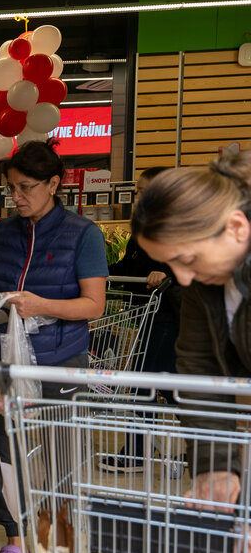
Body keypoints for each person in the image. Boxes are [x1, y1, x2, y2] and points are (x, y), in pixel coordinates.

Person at [0, 141, 109, 553]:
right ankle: (15, 539)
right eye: (12, 188)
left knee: (63, 450)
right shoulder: (2, 233)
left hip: (61, 359)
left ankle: (58, 537)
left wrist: (42, 304)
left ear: (53, 184)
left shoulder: (83, 235)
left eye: (27, 187)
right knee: (6, 448)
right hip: (5, 360)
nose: (18, 196)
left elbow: (93, 305)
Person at [129, 149, 251, 510]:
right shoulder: (202, 283)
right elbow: (199, 368)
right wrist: (215, 469)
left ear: (236, 228)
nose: (181, 278)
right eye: (170, 263)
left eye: (187, 258)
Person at [100, 166, 183, 472]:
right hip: (149, 315)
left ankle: (135, 454)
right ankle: (201, 445)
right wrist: (100, 275)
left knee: (142, 386)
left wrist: (168, 275)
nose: (138, 198)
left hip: (169, 317)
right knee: (171, 389)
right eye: (137, 193)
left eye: (143, 192)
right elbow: (130, 269)